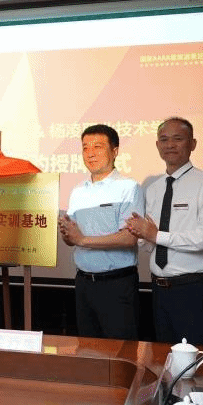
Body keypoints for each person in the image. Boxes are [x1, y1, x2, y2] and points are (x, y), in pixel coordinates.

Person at [126, 117, 203, 345]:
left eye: (178, 139)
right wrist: (141, 234)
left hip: (194, 289)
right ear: (157, 145)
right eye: (164, 140)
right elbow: (150, 242)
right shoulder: (154, 188)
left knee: (196, 357)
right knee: (164, 356)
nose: (170, 145)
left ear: (193, 144)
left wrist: (156, 235)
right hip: (159, 289)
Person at [58, 124, 143, 340]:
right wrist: (67, 233)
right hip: (84, 283)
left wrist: (82, 240)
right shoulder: (78, 191)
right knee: (88, 349)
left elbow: (129, 238)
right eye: (85, 148)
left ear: (115, 151)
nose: (90, 153)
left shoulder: (129, 187)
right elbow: (72, 240)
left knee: (120, 352)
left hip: (116, 285)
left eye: (97, 147)